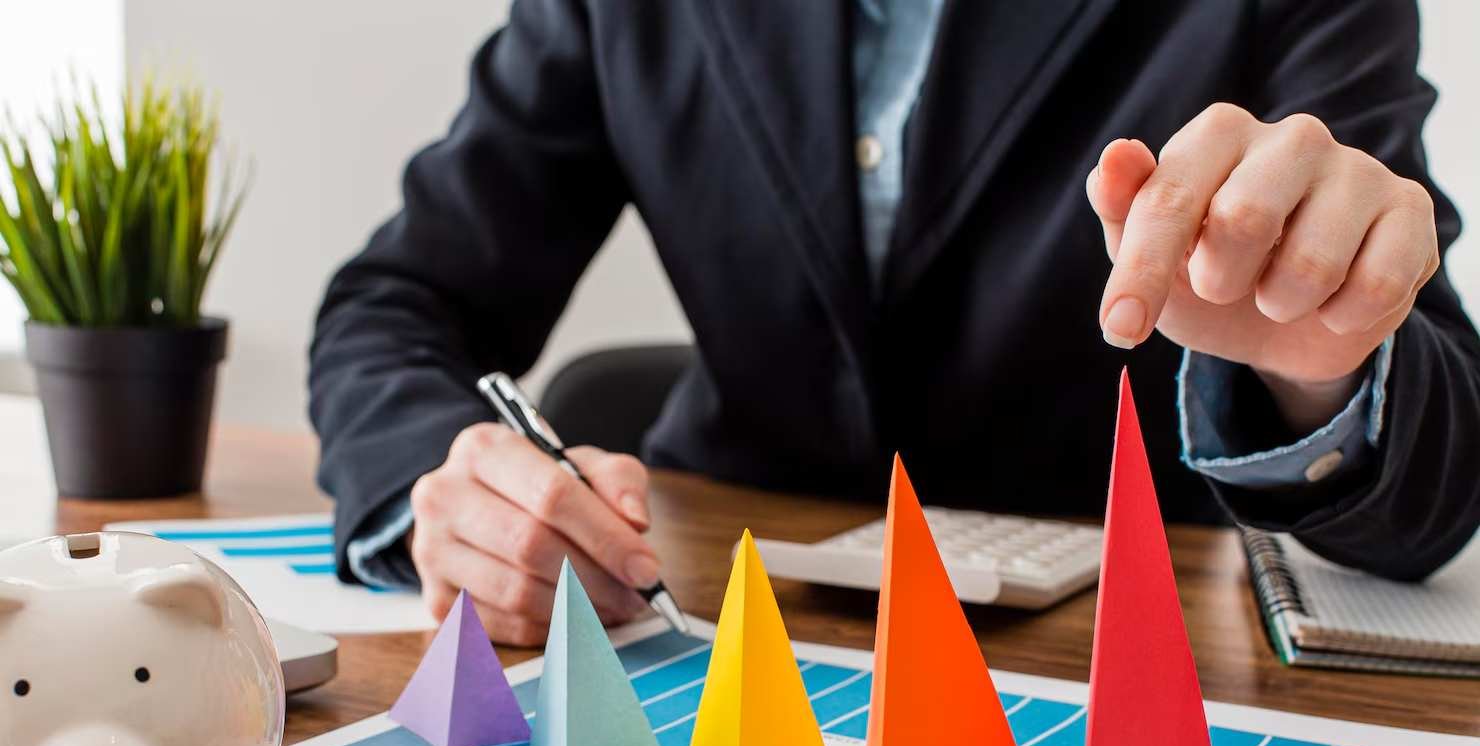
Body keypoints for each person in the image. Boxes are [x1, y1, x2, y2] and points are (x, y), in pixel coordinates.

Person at [311, 0, 1480, 644]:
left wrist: (1327, 378)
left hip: (1120, 651)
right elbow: (396, 300)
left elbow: (1445, 476)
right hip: (709, 617)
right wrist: (441, 490)